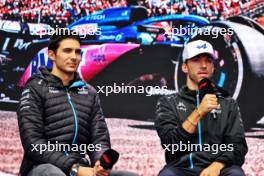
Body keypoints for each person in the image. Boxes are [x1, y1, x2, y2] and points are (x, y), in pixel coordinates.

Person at [17, 31, 137, 176]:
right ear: (52, 55)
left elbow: (99, 138)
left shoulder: (89, 92)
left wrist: (100, 163)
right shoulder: (35, 88)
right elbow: (33, 144)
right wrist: (74, 169)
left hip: (81, 169)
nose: (74, 57)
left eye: (77, 52)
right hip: (41, 168)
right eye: (67, 51)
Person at [155, 39, 248, 176]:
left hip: (220, 169)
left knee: (236, 174)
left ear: (213, 67)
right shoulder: (168, 102)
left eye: (208, 60)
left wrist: (217, 165)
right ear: (184, 67)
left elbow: (238, 146)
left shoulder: (228, 103)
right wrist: (198, 112)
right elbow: (170, 143)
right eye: (196, 60)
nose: (203, 65)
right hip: (181, 169)